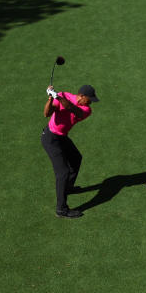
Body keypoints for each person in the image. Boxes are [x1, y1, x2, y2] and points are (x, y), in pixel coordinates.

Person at [41, 84, 98, 219]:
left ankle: (68, 187)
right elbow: (46, 113)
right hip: (50, 139)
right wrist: (50, 99)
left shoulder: (86, 110)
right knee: (63, 172)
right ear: (82, 96)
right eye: (89, 99)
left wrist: (57, 96)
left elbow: (72, 109)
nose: (90, 103)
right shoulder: (64, 96)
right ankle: (61, 209)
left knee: (76, 158)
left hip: (62, 137)